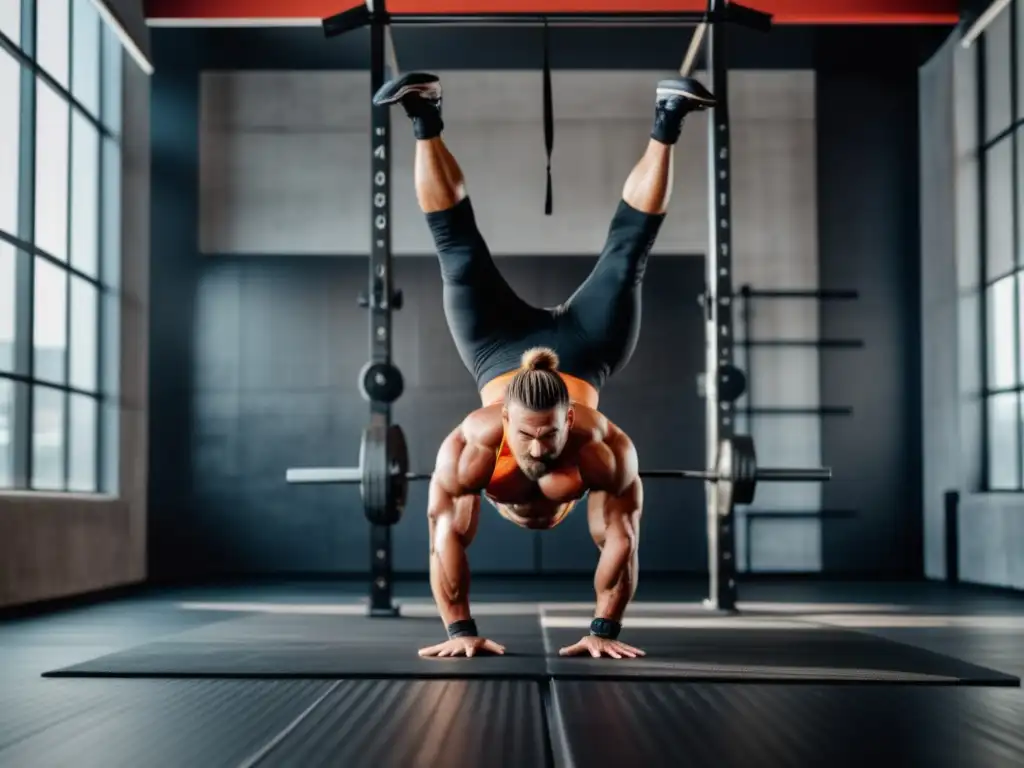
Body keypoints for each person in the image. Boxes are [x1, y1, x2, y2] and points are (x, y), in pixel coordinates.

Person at [372, 71, 715, 660]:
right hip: (545, 351)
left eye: (549, 435)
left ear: (570, 421)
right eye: (527, 436)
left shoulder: (602, 447)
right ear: (504, 420)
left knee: (620, 250)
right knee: (468, 248)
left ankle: (668, 117)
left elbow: (622, 541)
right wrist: (459, 632)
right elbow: (445, 535)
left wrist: (604, 630)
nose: (536, 449)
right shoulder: (473, 445)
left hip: (558, 351)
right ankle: (424, 114)